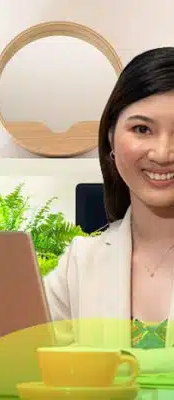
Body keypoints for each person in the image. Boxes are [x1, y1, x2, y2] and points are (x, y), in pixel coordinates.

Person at [44, 47, 174, 373]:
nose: (162, 153)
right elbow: (24, 366)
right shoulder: (78, 264)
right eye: (142, 129)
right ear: (111, 141)